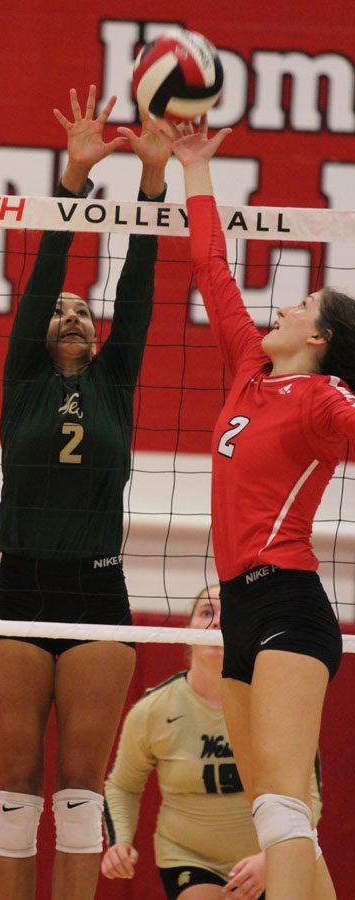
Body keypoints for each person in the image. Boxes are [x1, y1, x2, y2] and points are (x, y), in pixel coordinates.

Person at [0, 85, 171, 900]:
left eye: (81, 313)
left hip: (96, 589)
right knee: (17, 786)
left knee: (80, 789)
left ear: (96, 336)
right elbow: (45, 273)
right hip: (18, 581)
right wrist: (74, 179)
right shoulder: (21, 380)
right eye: (58, 311)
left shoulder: (115, 384)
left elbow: (138, 283)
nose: (70, 315)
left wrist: (153, 181)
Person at [155, 115, 355, 900]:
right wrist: (193, 167)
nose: (285, 307)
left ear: (324, 336)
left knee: (281, 807)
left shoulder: (323, 398)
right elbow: (211, 269)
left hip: (289, 604)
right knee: (275, 809)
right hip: (238, 604)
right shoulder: (248, 369)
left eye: (303, 304)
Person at [101, 585, 322, 900]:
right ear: (188, 630)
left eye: (228, 614)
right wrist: (119, 840)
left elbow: (309, 797)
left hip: (271, 853)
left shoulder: (277, 707)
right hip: (189, 858)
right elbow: (123, 785)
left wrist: (272, 857)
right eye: (206, 612)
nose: (217, 623)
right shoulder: (155, 709)